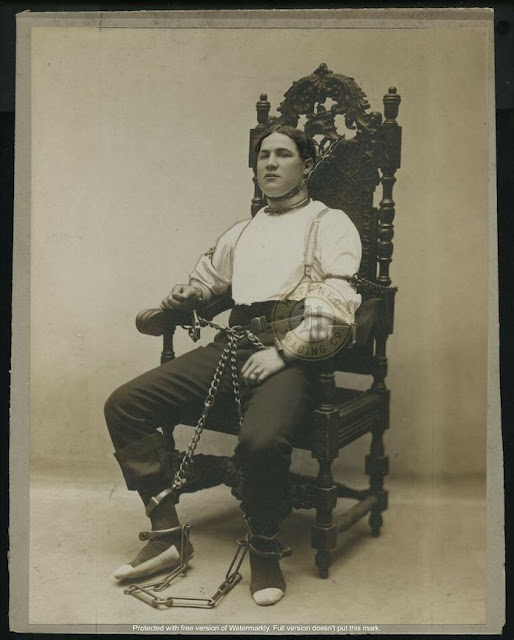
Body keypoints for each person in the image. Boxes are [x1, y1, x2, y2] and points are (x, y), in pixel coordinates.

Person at [104, 125, 362, 606]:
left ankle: (264, 546)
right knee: (125, 404)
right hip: (233, 345)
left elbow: (338, 300)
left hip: (292, 353)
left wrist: (283, 352)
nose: (270, 164)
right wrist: (190, 294)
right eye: (263, 156)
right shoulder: (243, 230)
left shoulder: (328, 223)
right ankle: (167, 533)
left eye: (283, 155)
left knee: (260, 441)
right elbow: (209, 281)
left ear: (307, 165)